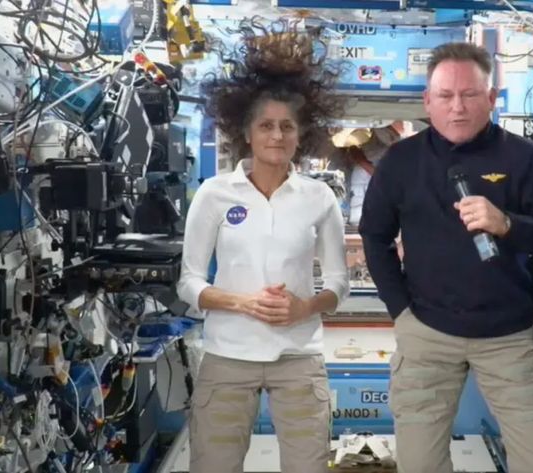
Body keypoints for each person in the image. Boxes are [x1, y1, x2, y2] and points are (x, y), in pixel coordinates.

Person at [359, 42, 533, 473]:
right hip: (427, 334)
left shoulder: (523, 158)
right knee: (420, 464)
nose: (457, 107)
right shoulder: (401, 161)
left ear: (492, 99)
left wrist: (508, 224)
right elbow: (374, 237)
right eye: (445, 96)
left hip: (509, 336)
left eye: (470, 94)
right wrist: (401, 312)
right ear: (428, 101)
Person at [176, 20, 349, 473]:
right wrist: (240, 301)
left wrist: (304, 309)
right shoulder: (214, 195)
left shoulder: (319, 197)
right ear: (246, 133)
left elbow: (337, 284)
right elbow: (189, 283)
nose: (277, 136)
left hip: (299, 358)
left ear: (301, 134)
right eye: (267, 126)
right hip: (228, 356)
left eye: (287, 127)